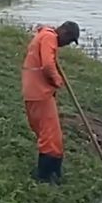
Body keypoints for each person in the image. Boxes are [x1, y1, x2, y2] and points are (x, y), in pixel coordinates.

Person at [21, 21, 80, 184]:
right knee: (50, 136)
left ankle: (52, 173)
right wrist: (57, 80)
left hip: (35, 91)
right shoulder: (48, 38)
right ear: (65, 32)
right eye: (69, 41)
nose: (66, 45)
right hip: (40, 93)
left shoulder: (44, 35)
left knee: (48, 133)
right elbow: (47, 65)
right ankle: (45, 175)